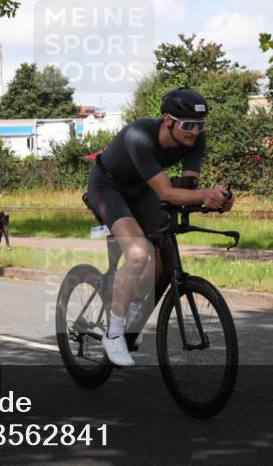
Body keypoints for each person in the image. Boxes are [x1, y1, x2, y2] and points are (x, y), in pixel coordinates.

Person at [85, 87, 233, 366]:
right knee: (139, 252)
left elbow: (188, 187)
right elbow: (166, 193)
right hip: (108, 187)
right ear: (168, 120)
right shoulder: (139, 137)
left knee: (161, 263)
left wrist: (216, 201)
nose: (194, 132)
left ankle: (129, 307)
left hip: (143, 190)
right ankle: (114, 334)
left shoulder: (194, 140)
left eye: (200, 126)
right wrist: (204, 195)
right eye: (188, 125)